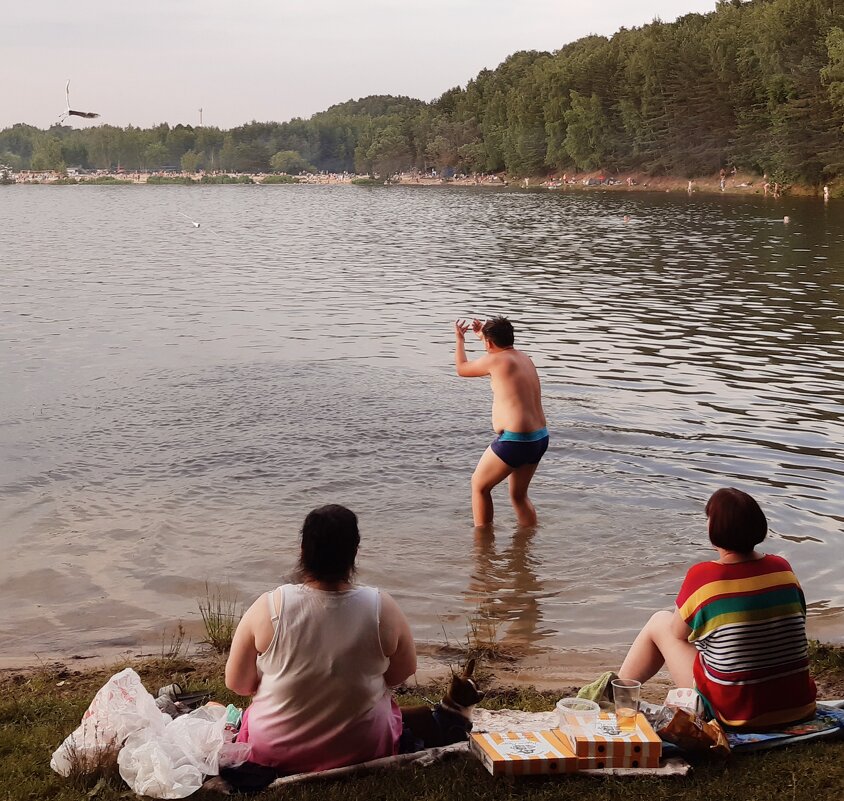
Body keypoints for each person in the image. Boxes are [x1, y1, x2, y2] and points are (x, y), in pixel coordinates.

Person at [225, 504, 417, 774]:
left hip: (273, 750)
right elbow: (401, 673)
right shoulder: (381, 608)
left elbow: (238, 684)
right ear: (355, 553)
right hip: (365, 747)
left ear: (303, 550)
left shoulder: (269, 607)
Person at [618, 488, 816, 730]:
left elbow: (677, 633)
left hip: (733, 714)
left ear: (715, 529)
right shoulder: (782, 568)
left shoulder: (704, 576)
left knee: (660, 622)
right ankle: (619, 695)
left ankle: (618, 697)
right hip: (798, 706)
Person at [454, 316, 548, 528]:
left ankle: (483, 548)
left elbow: (462, 368)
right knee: (518, 496)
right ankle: (527, 542)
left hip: (516, 441)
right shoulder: (524, 358)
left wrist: (460, 339)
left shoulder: (496, 360)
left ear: (489, 343)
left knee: (479, 486)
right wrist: (484, 337)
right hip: (539, 438)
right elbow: (498, 351)